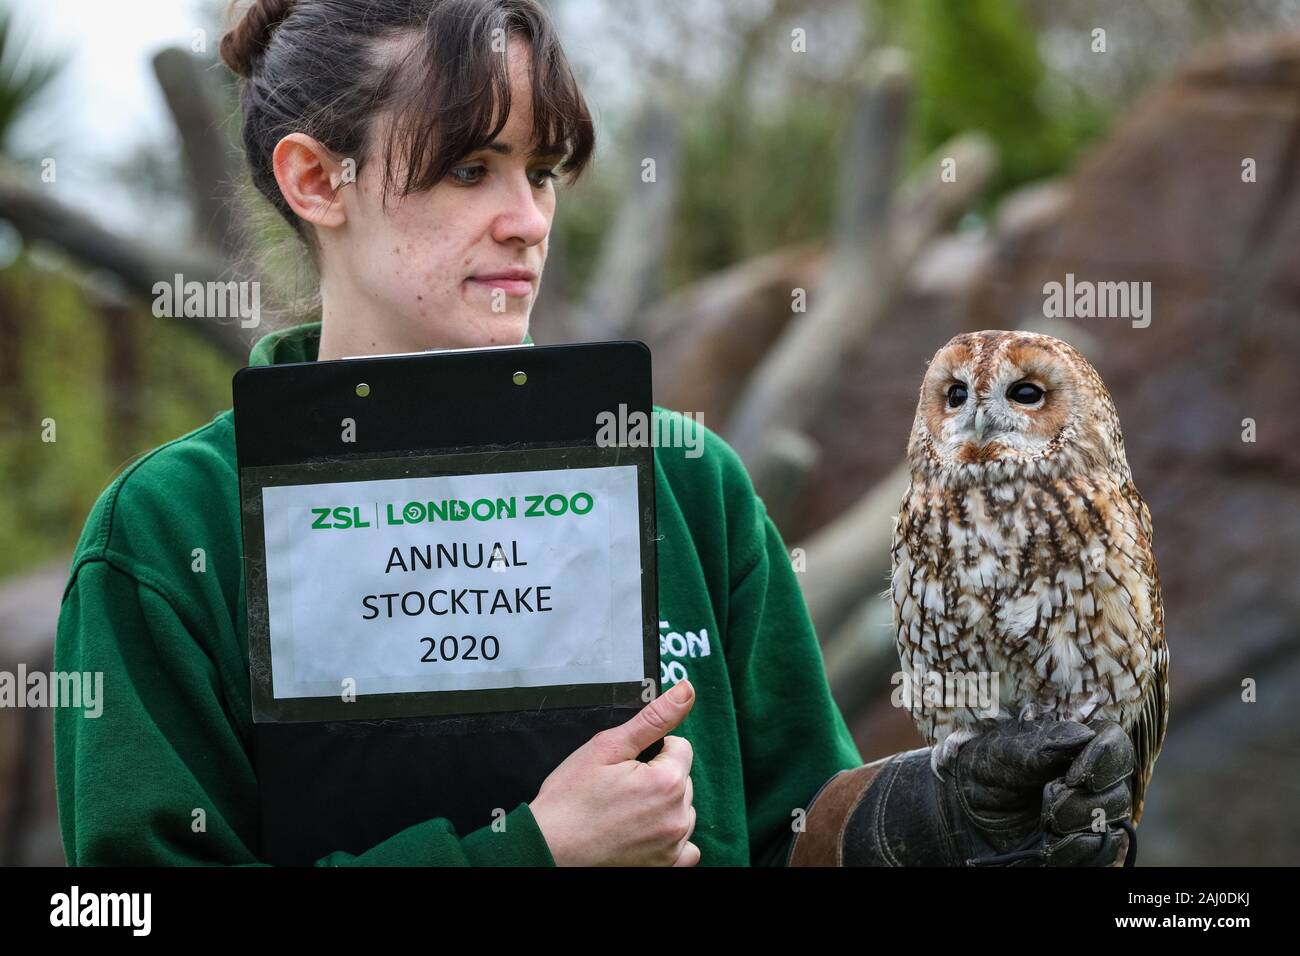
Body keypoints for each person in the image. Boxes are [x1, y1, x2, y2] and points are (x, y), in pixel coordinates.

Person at [53, 0, 1134, 867]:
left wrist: (929, 819)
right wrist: (533, 847)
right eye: (471, 168)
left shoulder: (685, 478)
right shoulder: (167, 530)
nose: (527, 218)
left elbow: (793, 827)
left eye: (543, 170)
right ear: (313, 180)